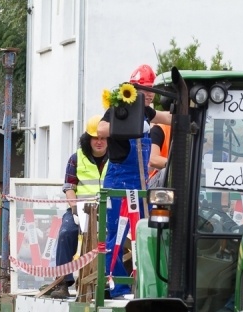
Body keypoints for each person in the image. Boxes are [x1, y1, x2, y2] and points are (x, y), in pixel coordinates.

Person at [98, 64, 171, 298]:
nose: (150, 94)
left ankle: (148, 285)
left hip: (141, 182)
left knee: (150, 230)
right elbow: (101, 129)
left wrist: (192, 113)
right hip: (119, 181)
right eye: (145, 89)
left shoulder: (147, 112)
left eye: (152, 89)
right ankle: (116, 287)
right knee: (116, 236)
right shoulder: (120, 108)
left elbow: (168, 117)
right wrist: (125, 126)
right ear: (133, 88)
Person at [50, 115, 109, 298]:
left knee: (118, 237)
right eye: (95, 138)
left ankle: (109, 282)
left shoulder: (116, 158)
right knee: (66, 232)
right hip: (80, 209)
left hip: (109, 210)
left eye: (103, 138)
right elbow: (69, 188)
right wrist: (75, 210)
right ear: (87, 139)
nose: (99, 142)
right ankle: (63, 282)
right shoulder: (76, 158)